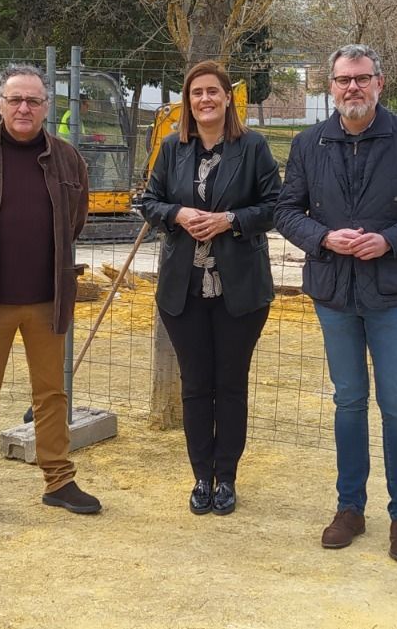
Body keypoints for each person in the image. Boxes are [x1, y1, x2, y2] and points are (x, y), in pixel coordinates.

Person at [273, 44, 397, 563]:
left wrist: (390, 241)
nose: (352, 87)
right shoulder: (310, 143)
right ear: (330, 86)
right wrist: (323, 238)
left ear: (380, 83)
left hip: (388, 291)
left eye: (362, 79)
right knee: (348, 401)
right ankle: (350, 507)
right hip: (333, 292)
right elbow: (287, 211)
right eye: (343, 79)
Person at [0, 63, 102, 529]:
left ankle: (58, 481)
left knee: (52, 395)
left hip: (48, 300)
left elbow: (76, 220)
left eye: (33, 100)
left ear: (46, 108)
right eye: (15, 99)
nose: (24, 107)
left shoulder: (69, 160)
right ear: (0, 103)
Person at [136, 60, 282, 517]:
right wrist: (177, 214)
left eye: (213, 92)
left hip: (240, 289)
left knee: (231, 384)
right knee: (196, 386)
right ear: (188, 100)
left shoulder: (253, 147)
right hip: (184, 290)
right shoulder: (171, 147)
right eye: (196, 92)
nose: (205, 100)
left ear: (226, 99)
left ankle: (228, 478)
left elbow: (276, 205)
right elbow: (149, 200)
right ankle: (202, 476)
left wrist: (230, 220)